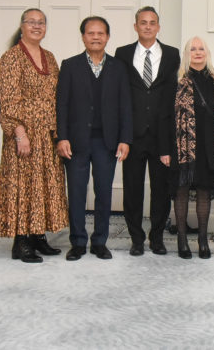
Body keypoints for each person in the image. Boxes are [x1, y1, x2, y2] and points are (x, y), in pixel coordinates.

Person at [56, 17, 133, 261]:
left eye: (101, 33)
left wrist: (125, 139)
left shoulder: (119, 67)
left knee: (104, 192)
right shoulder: (70, 65)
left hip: (107, 142)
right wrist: (62, 137)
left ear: (108, 37)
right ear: (83, 37)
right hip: (76, 142)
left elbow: (125, 106)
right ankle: (77, 242)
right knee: (77, 192)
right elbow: (62, 105)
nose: (96, 37)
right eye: (91, 33)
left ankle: (100, 241)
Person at [0, 8, 68, 263]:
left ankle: (38, 236)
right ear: (22, 26)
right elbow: (8, 100)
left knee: (44, 187)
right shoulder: (11, 58)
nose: (37, 26)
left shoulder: (49, 56)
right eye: (31, 22)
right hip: (24, 134)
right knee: (24, 187)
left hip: (47, 134)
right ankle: (22, 242)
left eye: (41, 22)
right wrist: (19, 132)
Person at [115, 6, 180, 256]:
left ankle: (157, 237)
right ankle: (136, 239)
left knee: (161, 190)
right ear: (135, 26)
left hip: (162, 134)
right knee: (132, 189)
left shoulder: (173, 54)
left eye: (153, 22)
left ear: (158, 27)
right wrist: (122, 134)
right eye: (143, 22)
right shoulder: (122, 54)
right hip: (132, 134)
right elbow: (119, 94)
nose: (148, 26)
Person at [174, 37, 214, 259]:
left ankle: (202, 241)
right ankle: (181, 240)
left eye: (201, 49)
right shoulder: (178, 78)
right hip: (182, 145)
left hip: (210, 145)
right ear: (186, 54)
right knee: (180, 192)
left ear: (207, 52)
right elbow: (167, 115)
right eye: (193, 49)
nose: (197, 52)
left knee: (204, 192)